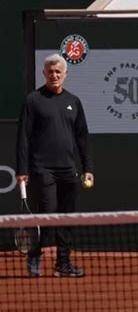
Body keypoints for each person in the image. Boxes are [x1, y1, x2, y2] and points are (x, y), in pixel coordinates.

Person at [16, 53, 93, 277]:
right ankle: (34, 255)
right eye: (50, 72)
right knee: (47, 215)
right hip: (42, 168)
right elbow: (23, 138)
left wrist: (88, 168)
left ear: (65, 74)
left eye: (58, 71)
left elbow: (82, 138)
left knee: (67, 218)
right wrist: (22, 169)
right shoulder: (33, 100)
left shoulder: (74, 102)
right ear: (44, 74)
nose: (54, 75)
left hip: (68, 169)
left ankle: (63, 263)